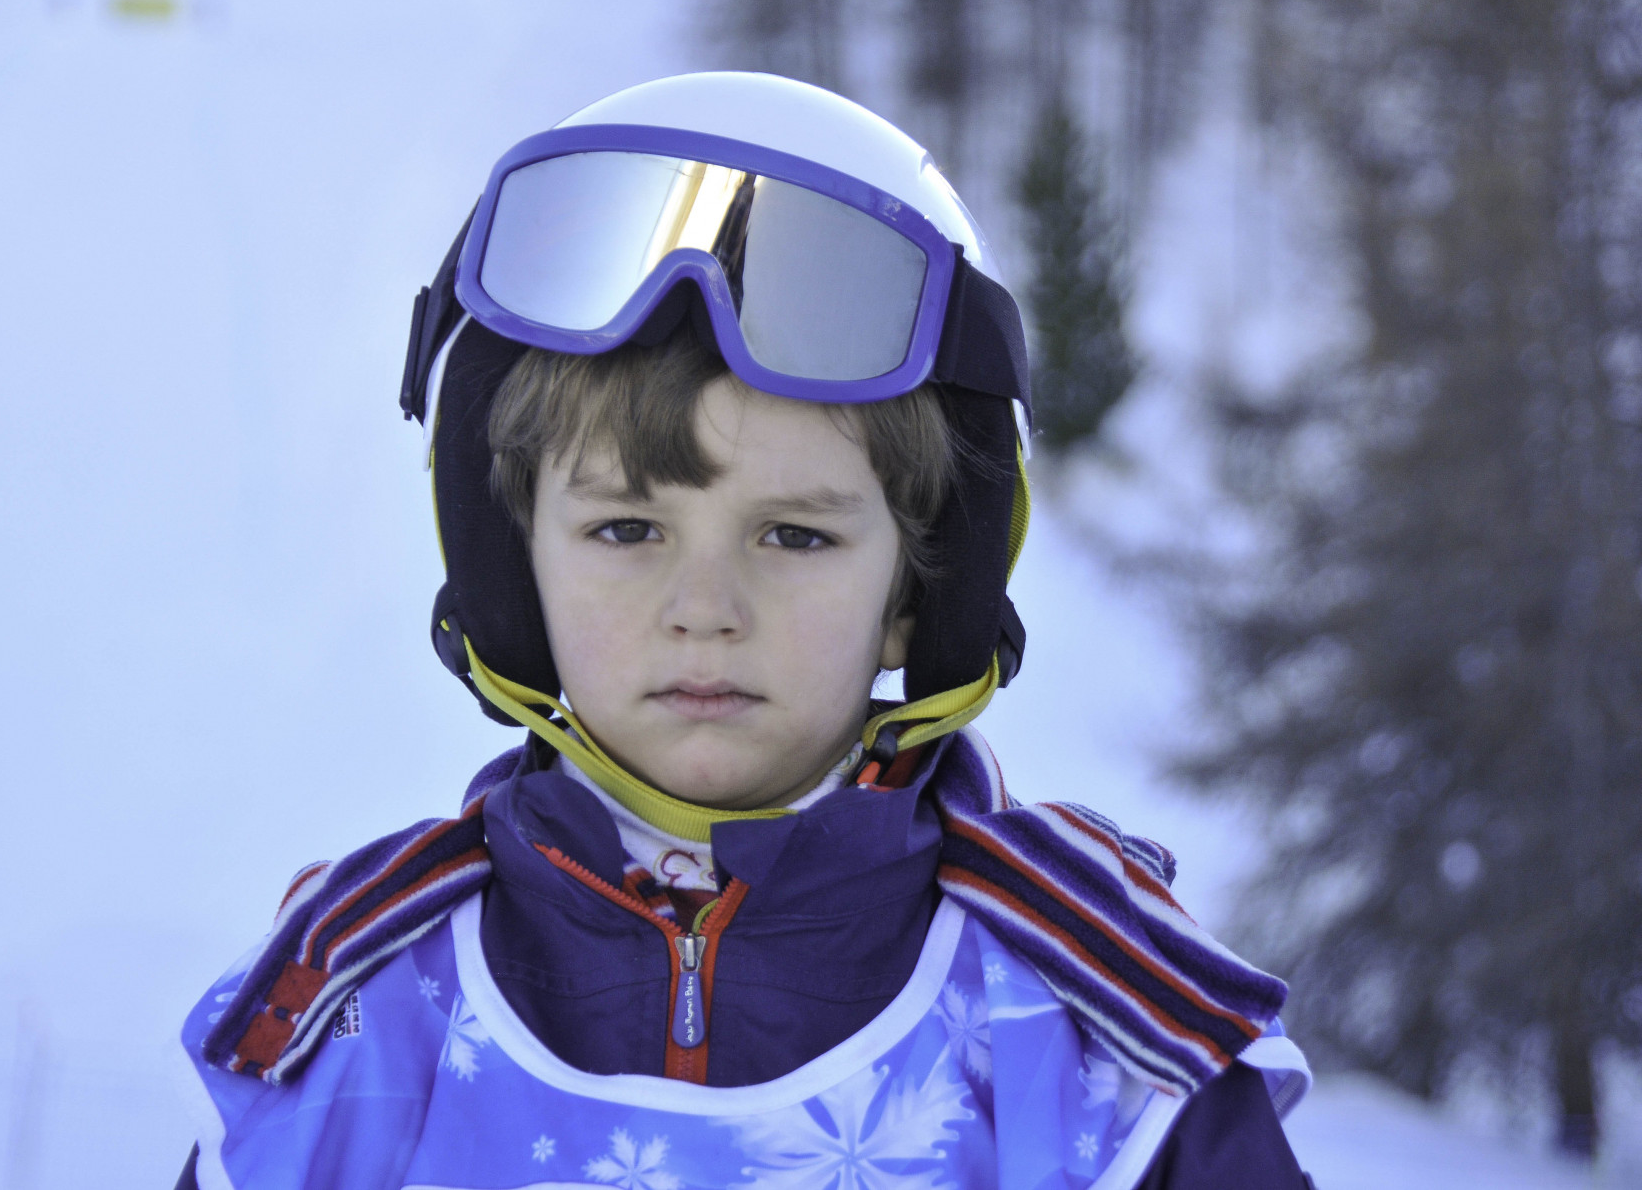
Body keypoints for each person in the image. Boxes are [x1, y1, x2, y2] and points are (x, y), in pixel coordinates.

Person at [176, 72, 1315, 1190]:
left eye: (794, 535)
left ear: (913, 595)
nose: (706, 608)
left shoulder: (1084, 1023)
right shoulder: (366, 998)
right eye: (627, 529)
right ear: (513, 568)